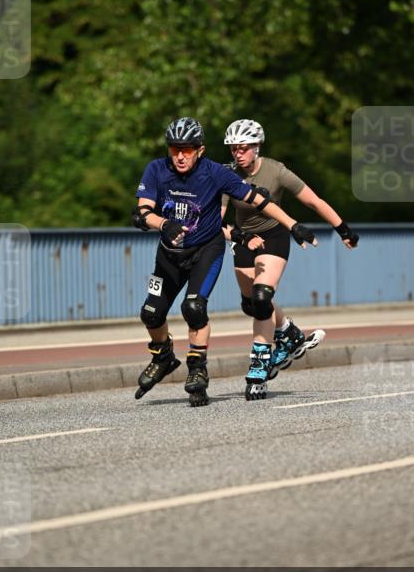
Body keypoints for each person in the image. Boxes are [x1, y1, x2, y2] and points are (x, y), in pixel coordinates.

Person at [133, 116, 318, 407]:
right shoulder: (156, 169)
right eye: (174, 149)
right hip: (169, 254)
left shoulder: (215, 173)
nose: (180, 156)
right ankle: (163, 356)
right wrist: (163, 224)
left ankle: (197, 370)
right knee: (150, 314)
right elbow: (142, 212)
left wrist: (293, 225)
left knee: (193, 308)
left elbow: (259, 201)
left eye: (187, 149)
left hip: (206, 250)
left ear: (200, 150)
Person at [221, 118, 359, 399]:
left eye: (243, 148)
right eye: (233, 148)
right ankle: (288, 332)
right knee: (251, 305)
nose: (238, 153)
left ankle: (259, 365)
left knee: (262, 298)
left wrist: (343, 229)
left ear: (257, 147)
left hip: (274, 236)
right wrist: (238, 236)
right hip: (243, 239)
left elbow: (313, 200)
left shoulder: (276, 171)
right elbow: (216, 220)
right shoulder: (227, 175)